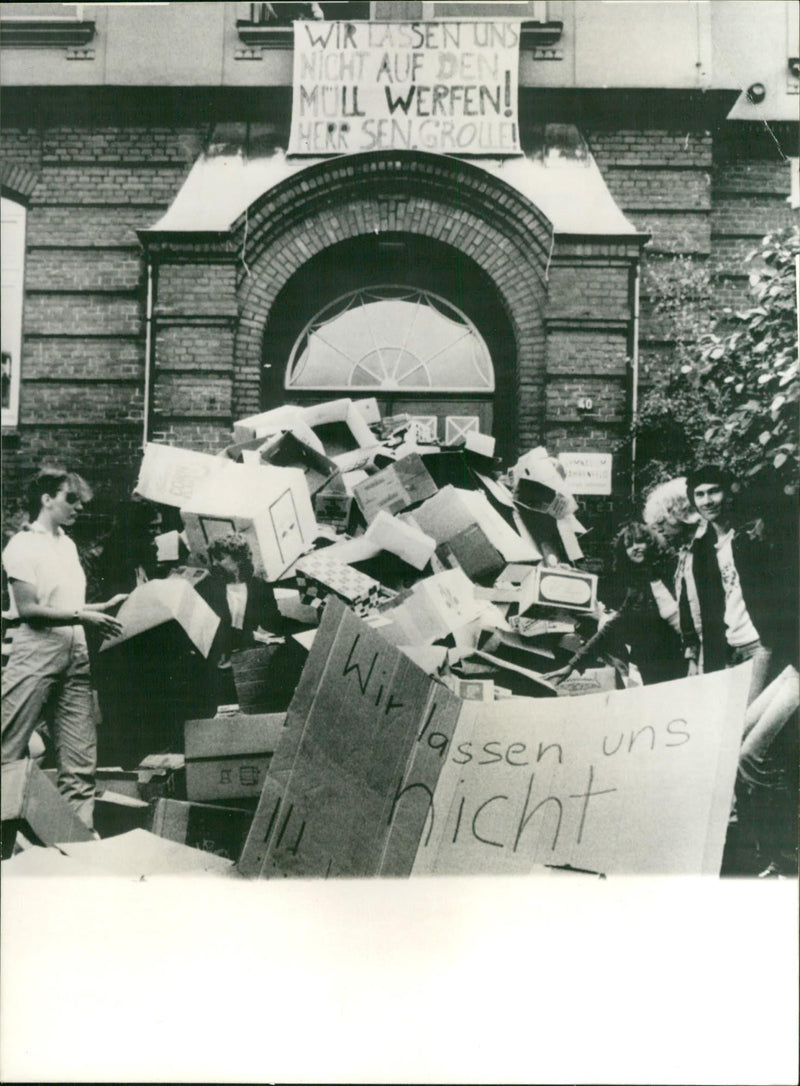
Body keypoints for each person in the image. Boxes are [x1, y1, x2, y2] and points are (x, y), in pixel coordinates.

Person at [1, 469, 127, 828]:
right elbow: (29, 609)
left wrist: (98, 610)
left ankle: (78, 843)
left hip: (75, 650)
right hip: (36, 649)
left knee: (80, 759)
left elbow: (67, 604)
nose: (80, 507)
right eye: (71, 499)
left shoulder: (67, 545)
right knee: (7, 748)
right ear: (46, 499)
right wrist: (82, 617)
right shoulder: (22, 545)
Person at [546, 522, 684, 688]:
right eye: (629, 545)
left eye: (640, 541)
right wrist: (572, 665)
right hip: (654, 665)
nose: (635, 548)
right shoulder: (637, 589)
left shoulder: (675, 569)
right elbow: (611, 627)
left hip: (685, 655)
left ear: (651, 543)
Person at [195, 532, 289, 708]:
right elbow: (209, 630)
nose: (214, 563)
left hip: (247, 661)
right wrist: (249, 636)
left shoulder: (259, 586)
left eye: (220, 558)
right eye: (213, 558)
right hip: (218, 665)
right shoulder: (206, 588)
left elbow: (274, 622)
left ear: (238, 559)